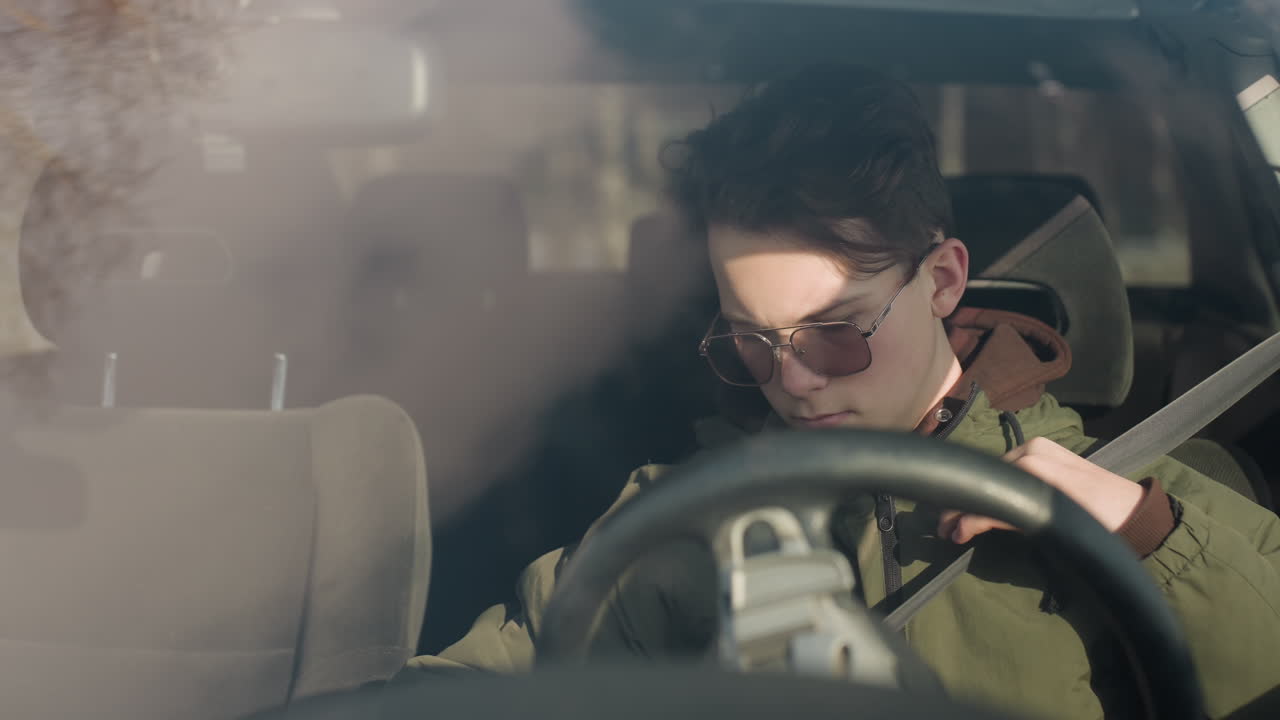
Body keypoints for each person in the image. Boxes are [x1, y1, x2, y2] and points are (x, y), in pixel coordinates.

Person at [398, 65, 1280, 719]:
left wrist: (1147, 536)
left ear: (942, 280)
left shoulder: (1146, 500)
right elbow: (475, 687)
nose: (793, 381)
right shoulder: (680, 521)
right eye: (750, 341)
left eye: (836, 331)